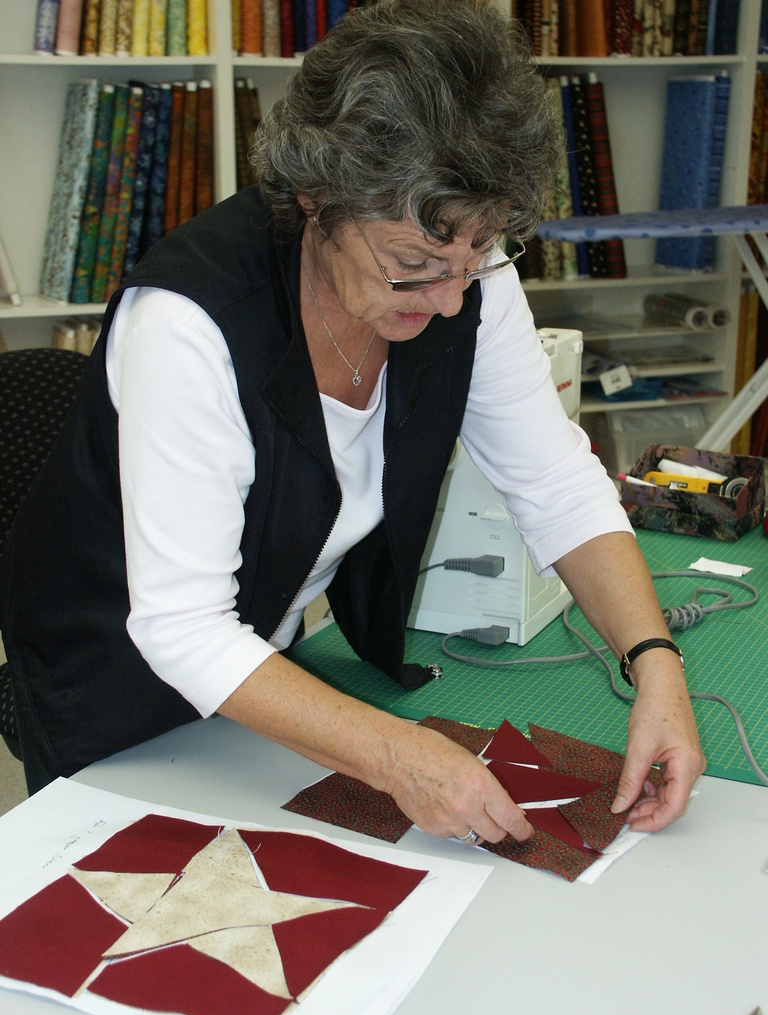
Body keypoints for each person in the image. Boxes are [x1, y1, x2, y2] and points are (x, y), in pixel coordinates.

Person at [1, 0, 703, 842]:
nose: (451, 301)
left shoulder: (462, 272)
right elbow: (183, 627)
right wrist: (394, 755)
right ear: (317, 199)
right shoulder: (188, 325)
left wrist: (655, 663)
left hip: (257, 670)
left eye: (476, 257)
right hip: (111, 691)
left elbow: (554, 482)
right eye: (413, 265)